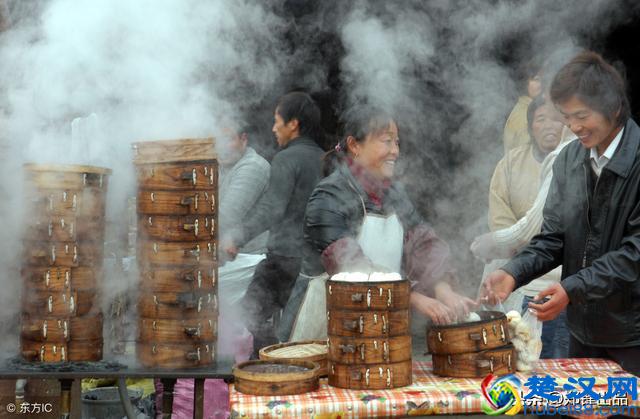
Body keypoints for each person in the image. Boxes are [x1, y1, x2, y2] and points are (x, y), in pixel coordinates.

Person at [482, 51, 640, 375]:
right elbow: (554, 237)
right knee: (581, 407)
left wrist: (571, 288)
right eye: (567, 116)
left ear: (614, 107)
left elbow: (635, 252)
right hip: (582, 332)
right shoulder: (570, 159)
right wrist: (513, 272)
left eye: (581, 115)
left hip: (633, 334)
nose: (573, 127)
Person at [282, 107, 475, 341]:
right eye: (386, 141)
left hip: (376, 323)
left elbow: (425, 244)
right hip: (323, 326)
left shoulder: (393, 194)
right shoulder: (328, 195)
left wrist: (443, 289)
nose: (395, 151)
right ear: (354, 145)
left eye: (397, 142)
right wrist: (412, 296)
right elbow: (352, 266)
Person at [222, 91, 324, 355]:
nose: (273, 128)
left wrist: (237, 237)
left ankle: (267, 367)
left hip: (284, 259)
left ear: (294, 124)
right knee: (295, 327)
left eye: (277, 120)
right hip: (313, 262)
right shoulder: (323, 159)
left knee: (247, 317)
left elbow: (272, 208)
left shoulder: (286, 158)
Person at [481, 96, 568, 358]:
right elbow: (500, 222)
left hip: (560, 286)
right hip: (516, 282)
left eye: (557, 118)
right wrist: (524, 248)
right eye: (542, 119)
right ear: (530, 127)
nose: (550, 125)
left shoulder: (574, 161)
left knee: (557, 371)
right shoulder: (509, 164)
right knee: (514, 365)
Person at [502, 57, 543, 153]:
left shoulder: (524, 107)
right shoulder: (526, 114)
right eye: (536, 79)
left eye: (543, 79)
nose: (542, 84)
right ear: (525, 83)